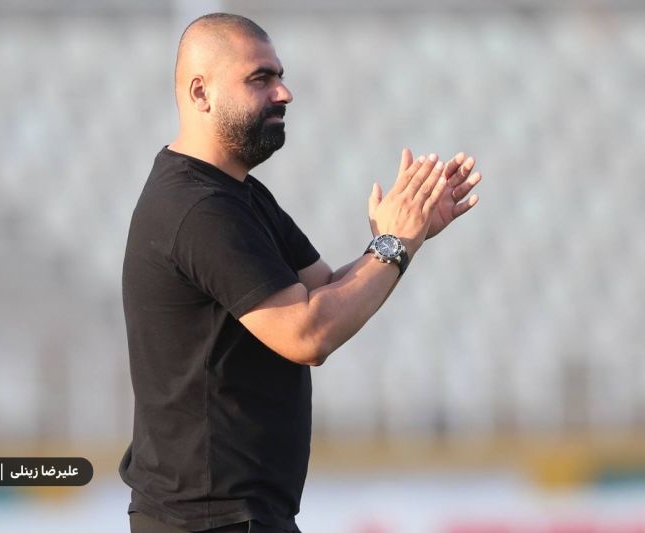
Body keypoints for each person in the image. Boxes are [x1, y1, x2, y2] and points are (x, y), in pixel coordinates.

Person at [119, 12, 482, 533]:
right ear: (201, 93)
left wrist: (406, 234)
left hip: (241, 515)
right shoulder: (198, 209)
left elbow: (326, 289)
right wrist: (394, 244)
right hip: (206, 519)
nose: (284, 93)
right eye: (260, 79)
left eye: (280, 76)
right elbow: (307, 332)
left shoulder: (237, 195)